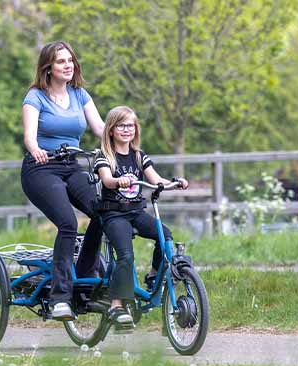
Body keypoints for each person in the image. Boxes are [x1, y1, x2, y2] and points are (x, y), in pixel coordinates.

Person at [21, 41, 104, 321]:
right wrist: (36, 149)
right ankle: (60, 298)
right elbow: (30, 135)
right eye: (60, 61)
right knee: (68, 223)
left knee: (104, 212)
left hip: (71, 166)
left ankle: (84, 277)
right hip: (41, 168)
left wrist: (124, 142)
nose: (67, 65)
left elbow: (101, 129)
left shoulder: (80, 95)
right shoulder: (36, 97)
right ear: (48, 67)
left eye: (70, 60)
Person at [94, 105, 188, 331]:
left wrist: (174, 183)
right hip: (114, 214)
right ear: (111, 130)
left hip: (136, 212)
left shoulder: (138, 156)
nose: (127, 130)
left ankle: (154, 276)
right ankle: (116, 304)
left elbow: (156, 179)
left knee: (164, 235)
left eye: (131, 125)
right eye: (121, 125)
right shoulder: (104, 156)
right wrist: (119, 181)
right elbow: (106, 180)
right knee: (126, 256)